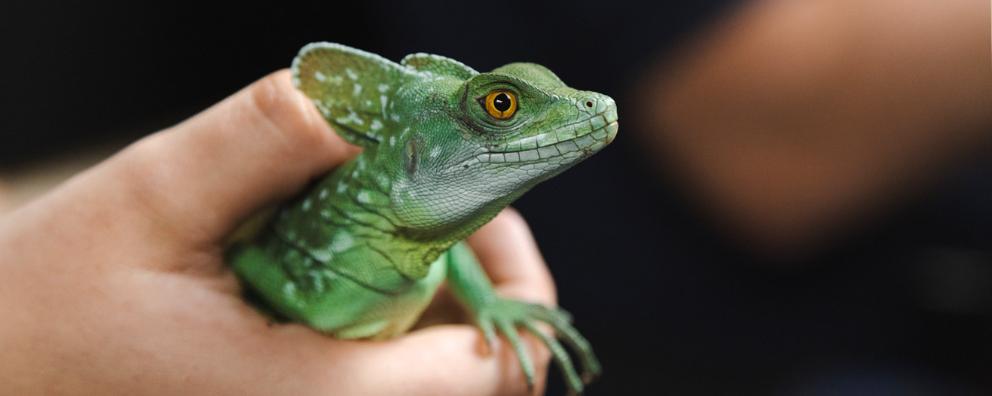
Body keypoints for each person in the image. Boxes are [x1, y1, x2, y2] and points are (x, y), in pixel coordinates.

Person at [0, 70, 554, 395]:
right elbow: (245, 269)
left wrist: (488, 306)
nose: (592, 107)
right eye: (501, 105)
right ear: (415, 151)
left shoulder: (431, 238)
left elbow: (441, 250)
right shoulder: (325, 272)